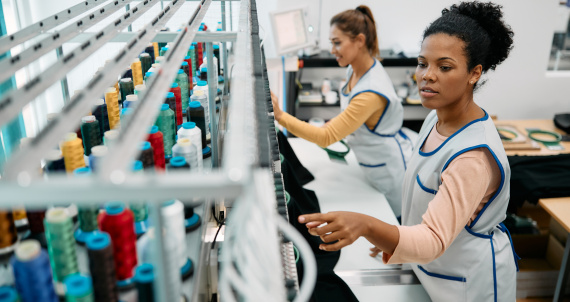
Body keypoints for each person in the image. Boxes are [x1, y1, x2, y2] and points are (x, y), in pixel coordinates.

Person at [299, 2, 518, 301]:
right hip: (430, 269)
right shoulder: (434, 118)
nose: (426, 75)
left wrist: (367, 225)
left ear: (474, 73)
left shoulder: (472, 157)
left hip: (466, 283)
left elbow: (432, 239)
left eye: (444, 67)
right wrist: (394, 237)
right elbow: (425, 205)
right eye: (422, 63)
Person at [272, 5, 413, 217]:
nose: (332, 50)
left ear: (359, 40)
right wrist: (335, 123)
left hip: (387, 171)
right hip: (369, 160)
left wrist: (280, 116)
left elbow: (326, 137)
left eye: (337, 43)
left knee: (393, 220)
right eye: (332, 43)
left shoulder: (370, 93)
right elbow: (350, 116)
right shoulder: (356, 69)